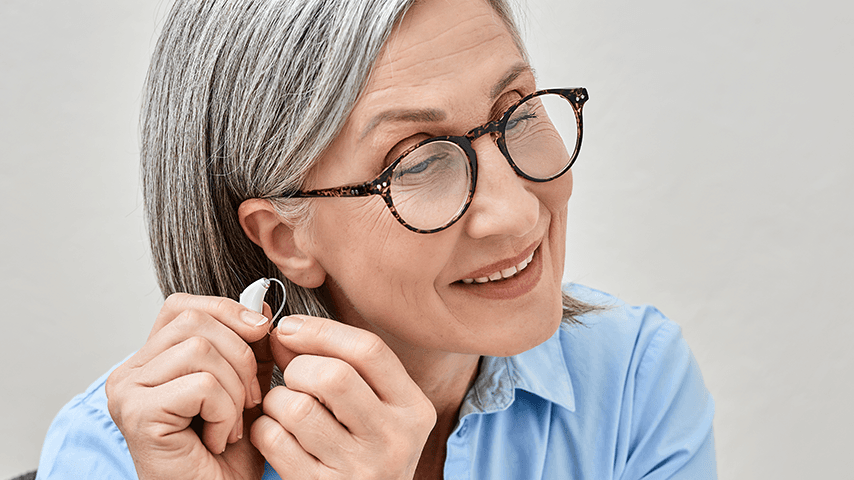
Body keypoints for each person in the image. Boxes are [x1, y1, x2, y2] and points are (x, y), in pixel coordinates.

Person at [36, 0, 716, 478]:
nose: (514, 213)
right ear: (283, 237)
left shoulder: (632, 378)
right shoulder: (123, 454)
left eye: (517, 112)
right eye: (419, 162)